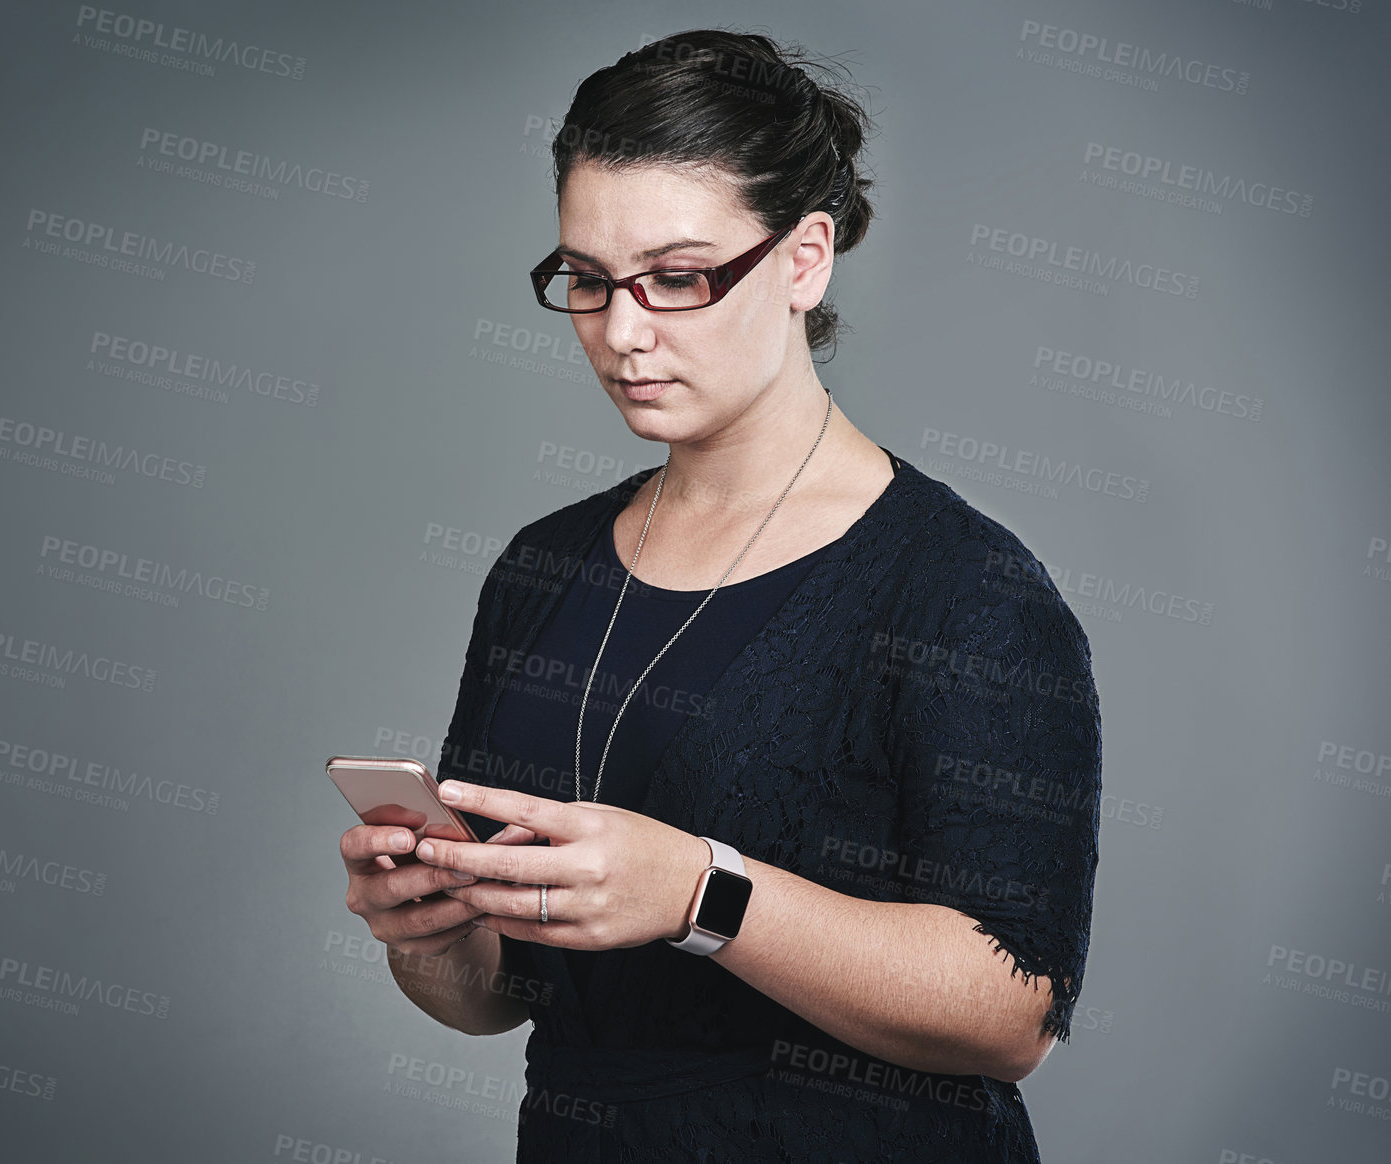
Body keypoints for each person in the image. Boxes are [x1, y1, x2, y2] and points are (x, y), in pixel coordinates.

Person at [339, 28, 1102, 1162]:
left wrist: (704, 893)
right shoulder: (544, 565)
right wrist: (431, 936)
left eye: (679, 277)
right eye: (588, 281)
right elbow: (502, 998)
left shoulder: (965, 591)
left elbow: (1016, 1015)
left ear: (805, 260)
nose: (624, 332)